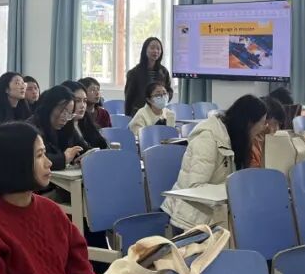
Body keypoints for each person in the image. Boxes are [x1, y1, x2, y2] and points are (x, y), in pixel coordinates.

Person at [0, 122, 96, 274]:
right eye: (39, 156)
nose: (49, 163)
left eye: (45, 154)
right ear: (15, 163)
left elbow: (82, 273)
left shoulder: (51, 210)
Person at [164, 95, 269, 230]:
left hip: (216, 214)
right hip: (191, 218)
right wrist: (233, 192)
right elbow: (195, 187)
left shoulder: (236, 138)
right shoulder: (208, 137)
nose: (264, 127)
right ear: (249, 122)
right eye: (262, 122)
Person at [28, 86, 86, 171]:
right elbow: (33, 159)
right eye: (63, 111)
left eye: (69, 113)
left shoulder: (67, 125)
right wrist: (64, 158)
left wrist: (85, 157)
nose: (65, 118)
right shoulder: (31, 127)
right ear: (50, 107)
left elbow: (83, 147)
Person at [123, 37, 173, 115]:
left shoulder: (164, 72)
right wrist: (128, 115)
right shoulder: (134, 73)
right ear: (145, 50)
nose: (155, 51)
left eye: (158, 49)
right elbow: (129, 97)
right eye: (152, 48)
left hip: (159, 112)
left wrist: (164, 99)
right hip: (140, 113)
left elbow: (169, 90)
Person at [61, 79, 108, 150]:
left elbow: (102, 144)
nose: (83, 105)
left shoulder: (86, 121)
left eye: (85, 101)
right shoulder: (61, 127)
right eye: (78, 101)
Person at [249, 96, 286, 168]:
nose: (277, 129)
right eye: (275, 123)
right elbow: (257, 171)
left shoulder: (265, 140)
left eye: (279, 124)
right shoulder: (249, 145)